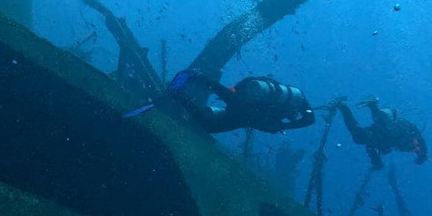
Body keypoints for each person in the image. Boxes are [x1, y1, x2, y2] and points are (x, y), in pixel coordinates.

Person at [125, 69, 315, 135]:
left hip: (243, 106)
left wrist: (238, 91)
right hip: (248, 116)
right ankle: (186, 90)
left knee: (221, 101)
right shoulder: (299, 105)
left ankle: (195, 80)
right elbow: (310, 120)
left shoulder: (275, 88)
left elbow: (244, 84)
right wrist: (282, 126)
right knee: (209, 125)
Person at [325, 97, 428, 169]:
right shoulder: (408, 133)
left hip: (381, 133)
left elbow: (371, 146)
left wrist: (376, 161)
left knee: (363, 135)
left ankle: (355, 106)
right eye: (415, 148)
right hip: (384, 131)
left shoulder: (401, 139)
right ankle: (345, 106)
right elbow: (419, 140)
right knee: (365, 133)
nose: (415, 150)